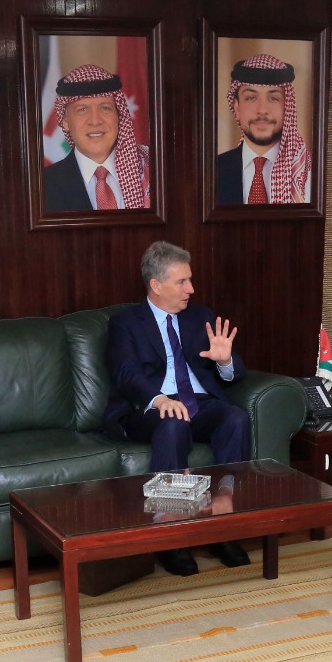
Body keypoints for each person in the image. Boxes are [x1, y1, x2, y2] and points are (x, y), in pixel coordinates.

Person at [104, 240, 252, 577]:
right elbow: (125, 374)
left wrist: (225, 361)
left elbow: (235, 372)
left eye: (190, 280)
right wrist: (160, 399)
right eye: (182, 282)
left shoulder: (201, 317)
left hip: (198, 402)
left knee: (235, 418)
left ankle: (223, 525)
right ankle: (171, 535)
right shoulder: (125, 323)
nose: (191, 289)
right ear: (156, 285)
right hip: (149, 407)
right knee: (172, 422)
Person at [42, 64, 152, 213]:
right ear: (65, 121)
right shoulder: (42, 187)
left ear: (119, 115)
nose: (95, 121)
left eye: (105, 108)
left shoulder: (154, 171)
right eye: (82, 110)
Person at [216, 53, 311, 206]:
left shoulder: (307, 173)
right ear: (236, 108)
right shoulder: (211, 172)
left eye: (273, 98)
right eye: (251, 98)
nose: (262, 110)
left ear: (287, 107)